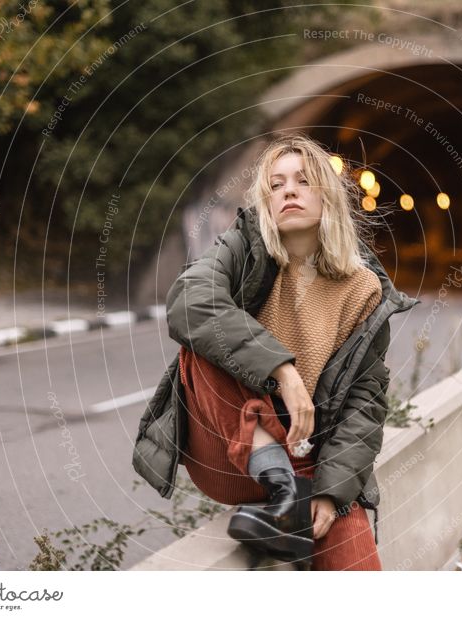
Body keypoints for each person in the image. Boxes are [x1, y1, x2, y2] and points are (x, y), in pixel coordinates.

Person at [153, 132, 420, 570]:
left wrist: (333, 494)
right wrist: (282, 370)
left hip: (308, 461)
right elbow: (188, 301)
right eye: (275, 185)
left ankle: (291, 504)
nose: (288, 191)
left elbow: (363, 404)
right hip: (229, 454)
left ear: (328, 197)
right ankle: (282, 488)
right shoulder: (242, 248)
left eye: (302, 180)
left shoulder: (363, 288)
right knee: (202, 344)